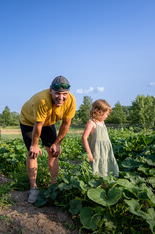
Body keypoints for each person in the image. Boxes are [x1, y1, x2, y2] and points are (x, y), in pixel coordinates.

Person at [20, 76, 76, 204]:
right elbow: (38, 124)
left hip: (48, 122)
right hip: (29, 122)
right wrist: (34, 144)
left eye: (64, 94)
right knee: (32, 153)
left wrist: (57, 143)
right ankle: (33, 188)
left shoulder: (71, 101)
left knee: (53, 152)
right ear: (51, 90)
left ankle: (54, 185)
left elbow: (66, 123)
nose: (61, 98)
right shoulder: (42, 100)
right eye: (57, 93)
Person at [81, 99, 119, 177]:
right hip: (97, 150)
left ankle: (106, 182)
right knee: (97, 167)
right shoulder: (91, 123)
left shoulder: (102, 122)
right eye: (106, 114)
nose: (107, 116)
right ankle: (97, 182)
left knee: (106, 165)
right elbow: (84, 138)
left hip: (106, 150)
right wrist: (89, 153)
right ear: (99, 112)